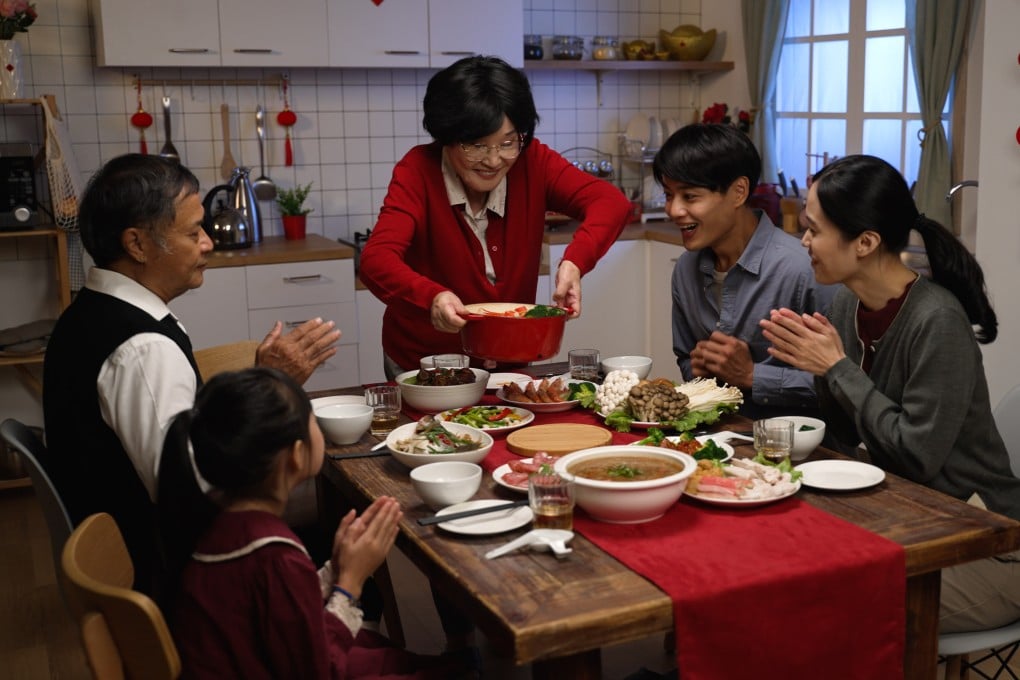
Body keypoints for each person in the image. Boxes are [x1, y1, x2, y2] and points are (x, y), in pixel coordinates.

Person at [42, 153, 340, 597]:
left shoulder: (89, 313)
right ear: (137, 245)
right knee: (341, 521)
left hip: (149, 552)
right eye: (192, 232)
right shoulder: (142, 349)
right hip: (177, 577)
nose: (207, 243)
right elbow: (192, 494)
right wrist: (271, 389)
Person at [760, 154, 1020, 633]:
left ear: (865, 242)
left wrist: (836, 367)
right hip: (904, 518)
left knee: (829, 601)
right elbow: (846, 433)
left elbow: (916, 455)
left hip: (984, 542)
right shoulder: (845, 304)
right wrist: (818, 368)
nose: (804, 241)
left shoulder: (936, 321)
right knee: (774, 554)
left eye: (815, 230)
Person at [160, 367, 471, 679]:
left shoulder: (221, 526)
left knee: (399, 660)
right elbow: (320, 668)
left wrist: (335, 568)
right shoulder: (276, 558)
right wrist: (350, 583)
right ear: (296, 455)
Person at [359, 55, 630, 378]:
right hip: (429, 366)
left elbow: (610, 202)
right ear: (446, 136)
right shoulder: (418, 170)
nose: (493, 160)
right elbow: (376, 260)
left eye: (507, 142)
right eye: (475, 145)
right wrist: (432, 297)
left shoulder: (533, 161)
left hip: (511, 362)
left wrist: (574, 262)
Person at [651, 123, 837, 420]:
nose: (673, 210)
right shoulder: (686, 269)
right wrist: (698, 369)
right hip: (718, 439)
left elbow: (847, 387)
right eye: (669, 195)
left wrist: (752, 375)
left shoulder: (803, 271)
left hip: (804, 454)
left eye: (690, 196)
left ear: (738, 192)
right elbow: (686, 358)